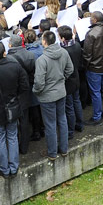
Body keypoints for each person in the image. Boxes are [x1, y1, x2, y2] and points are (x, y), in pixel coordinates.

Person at [0, 42, 29, 178]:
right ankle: (13, 167)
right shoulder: (15, 67)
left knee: (0, 139)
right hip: (12, 107)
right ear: (4, 53)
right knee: (12, 136)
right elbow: (24, 86)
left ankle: (4, 168)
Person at [33, 31, 74, 160]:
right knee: (62, 119)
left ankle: (52, 153)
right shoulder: (63, 52)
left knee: (50, 124)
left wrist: (36, 91)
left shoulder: (42, 60)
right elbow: (70, 69)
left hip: (47, 96)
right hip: (60, 92)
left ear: (44, 42)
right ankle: (64, 149)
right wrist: (61, 81)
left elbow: (39, 82)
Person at [83, 12, 103, 125]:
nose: (90, 19)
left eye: (91, 18)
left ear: (95, 19)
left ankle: (97, 117)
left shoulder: (90, 34)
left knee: (96, 92)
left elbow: (87, 54)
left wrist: (85, 66)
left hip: (94, 68)